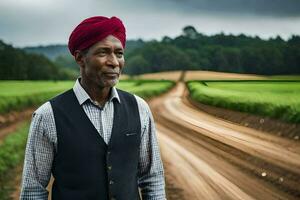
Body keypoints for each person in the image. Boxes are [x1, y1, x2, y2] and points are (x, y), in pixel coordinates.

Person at [20, 16, 166, 200]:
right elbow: (33, 190)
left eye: (119, 53)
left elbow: (152, 178)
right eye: (103, 52)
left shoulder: (140, 108)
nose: (114, 62)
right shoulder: (47, 116)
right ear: (80, 58)